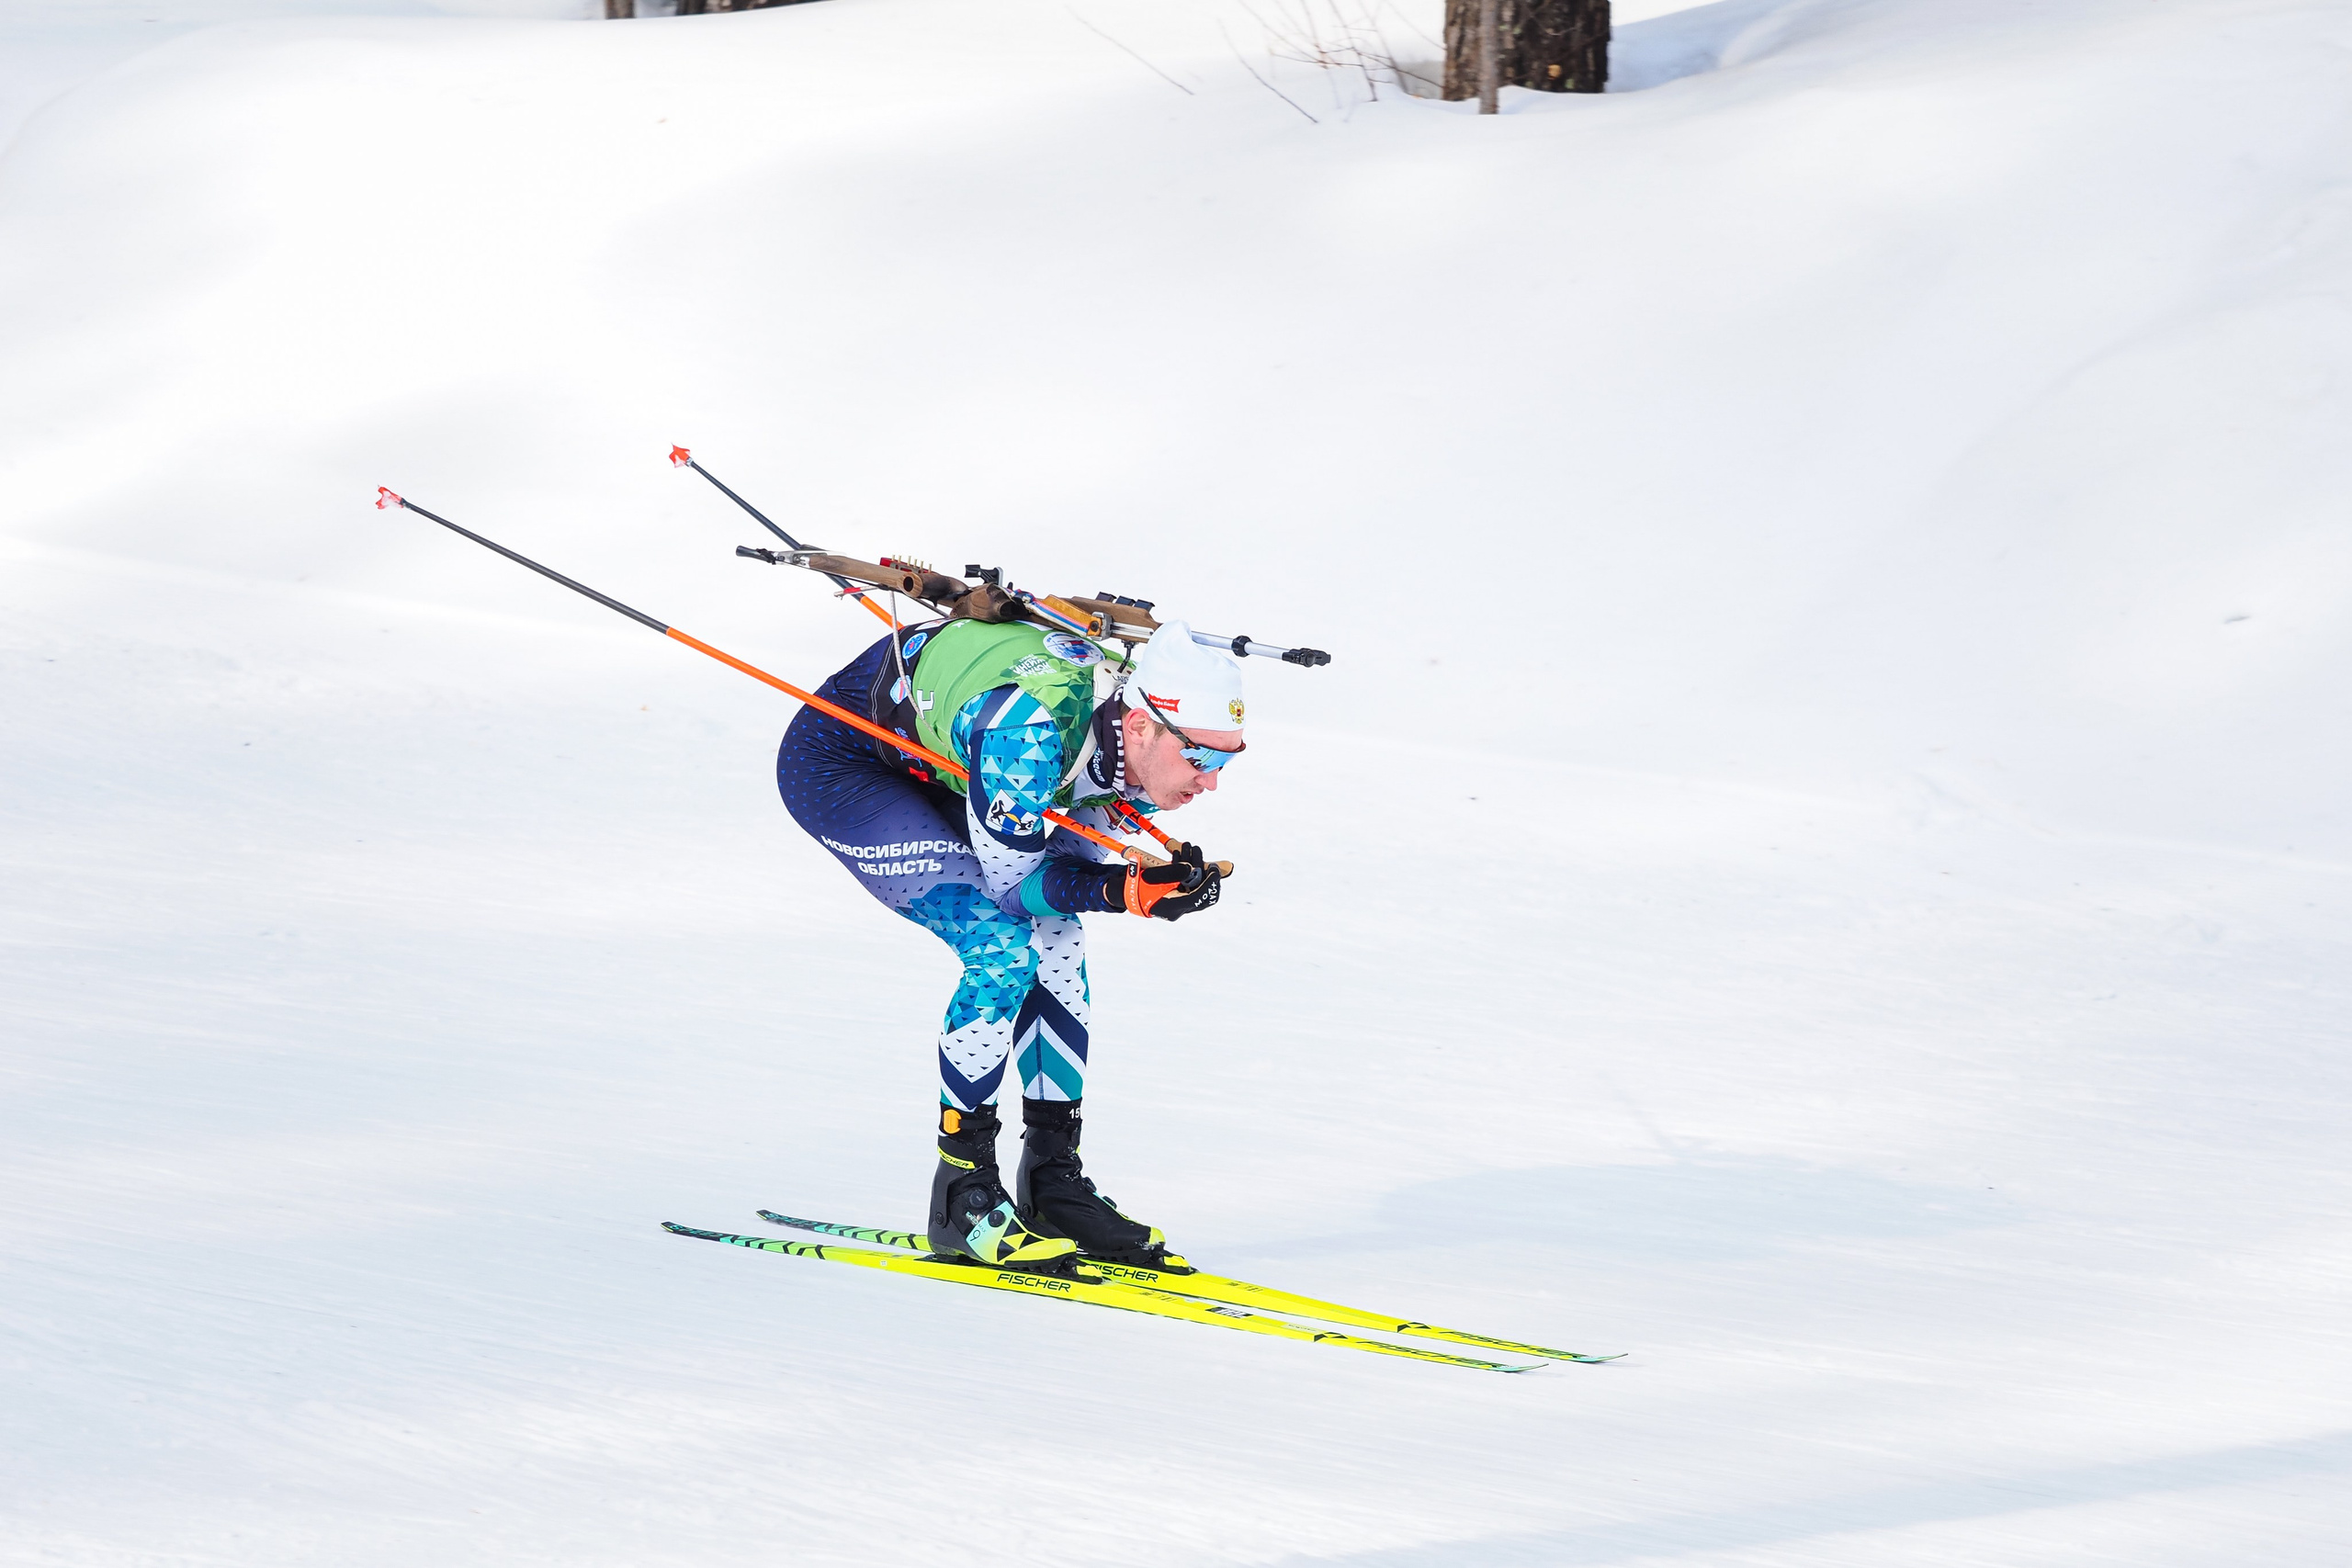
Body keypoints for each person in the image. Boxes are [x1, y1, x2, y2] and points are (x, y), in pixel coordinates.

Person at [776, 612, 1243, 1272]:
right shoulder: (1026, 735)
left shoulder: (1129, 734)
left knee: (1059, 940)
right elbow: (1013, 886)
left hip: (952, 769)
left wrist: (1137, 880)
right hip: (847, 767)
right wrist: (1124, 891)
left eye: (1227, 758)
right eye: (1202, 756)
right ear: (1140, 724)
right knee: (1001, 947)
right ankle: (961, 1194)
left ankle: (1052, 1179)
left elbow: (1067, 859)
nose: (1212, 779)